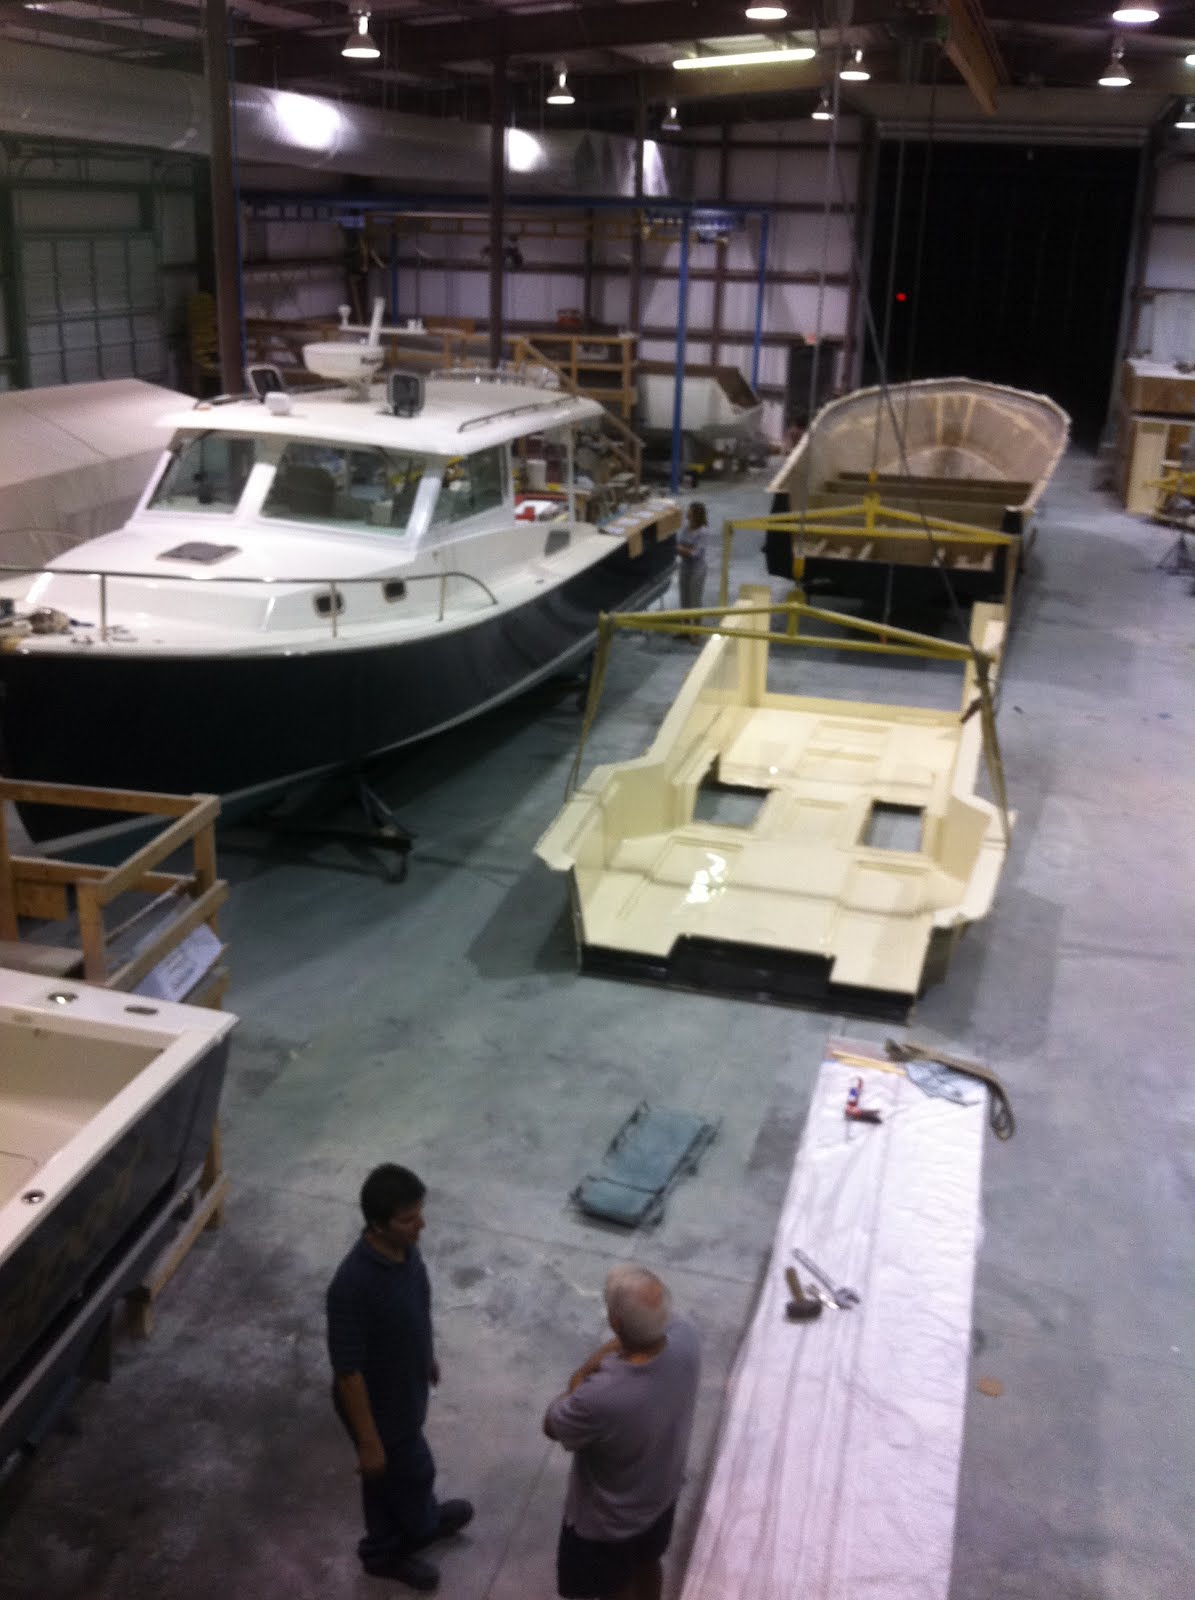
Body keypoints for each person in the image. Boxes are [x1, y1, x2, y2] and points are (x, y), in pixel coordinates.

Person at [326, 1163, 473, 1591]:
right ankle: (383, 1552)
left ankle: (421, 1520)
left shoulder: (406, 1252)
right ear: (377, 1224)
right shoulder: (351, 1285)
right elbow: (348, 1372)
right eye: (408, 1219)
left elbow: (418, 1307)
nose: (420, 1225)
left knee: (406, 1472)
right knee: (392, 1474)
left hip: (404, 1388)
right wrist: (368, 1441)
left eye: (420, 1213)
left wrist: (426, 1356)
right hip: (375, 1403)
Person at [543, 1266, 701, 1600]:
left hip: (610, 1524)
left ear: (615, 1324)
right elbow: (642, 1338)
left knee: (612, 1587)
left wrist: (583, 1373)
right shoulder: (686, 1335)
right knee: (648, 1562)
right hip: (661, 1497)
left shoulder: (600, 1397)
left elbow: (552, 1425)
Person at [677, 501, 710, 630]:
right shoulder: (686, 528)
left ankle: (696, 631)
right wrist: (687, 549)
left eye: (689, 511)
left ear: (696, 514)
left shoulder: (703, 532)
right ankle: (685, 629)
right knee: (684, 599)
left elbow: (696, 553)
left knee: (695, 600)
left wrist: (684, 549)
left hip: (697, 570)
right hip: (685, 567)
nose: (687, 513)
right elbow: (680, 545)